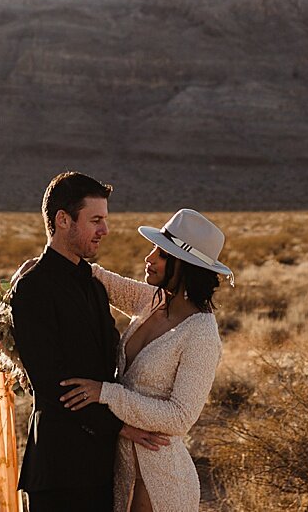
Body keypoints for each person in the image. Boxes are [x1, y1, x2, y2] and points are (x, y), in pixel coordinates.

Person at [9, 172, 170, 512]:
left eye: (105, 220)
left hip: (101, 467)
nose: (105, 231)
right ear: (62, 220)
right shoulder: (32, 288)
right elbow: (52, 387)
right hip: (59, 472)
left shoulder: (95, 287)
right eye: (96, 220)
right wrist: (121, 426)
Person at [59, 209, 229, 512]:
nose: (148, 258)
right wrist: (42, 266)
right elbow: (99, 278)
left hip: (163, 480)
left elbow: (180, 418)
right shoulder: (152, 301)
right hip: (122, 471)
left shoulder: (201, 333)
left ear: (185, 266)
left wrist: (106, 393)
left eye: (161, 254)